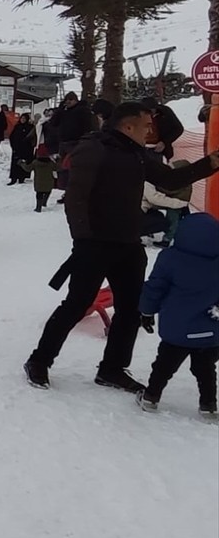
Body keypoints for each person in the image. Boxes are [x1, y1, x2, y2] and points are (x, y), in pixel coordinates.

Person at [24, 102, 219, 391]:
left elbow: (170, 180)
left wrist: (211, 162)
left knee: (131, 309)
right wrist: (84, 240)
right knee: (77, 304)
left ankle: (112, 369)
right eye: (146, 125)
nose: (150, 131)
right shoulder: (94, 149)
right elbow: (76, 199)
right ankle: (39, 361)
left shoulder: (136, 153)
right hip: (94, 244)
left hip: (127, 243)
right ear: (128, 126)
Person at [135, 212, 219, 418]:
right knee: (205, 369)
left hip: (177, 329)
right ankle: (209, 405)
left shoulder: (170, 258)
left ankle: (151, 397)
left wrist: (147, 311)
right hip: (209, 328)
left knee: (164, 365)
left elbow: (155, 288)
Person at [21, 145, 58, 212]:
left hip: (39, 183)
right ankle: (44, 202)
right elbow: (58, 168)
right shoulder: (51, 163)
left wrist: (21, 163)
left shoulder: (35, 163)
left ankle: (38, 207)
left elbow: (28, 168)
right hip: (49, 182)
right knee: (48, 191)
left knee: (39, 194)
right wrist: (58, 160)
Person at [8, 113, 37, 184]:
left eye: (24, 119)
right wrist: (13, 145)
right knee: (15, 164)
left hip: (26, 149)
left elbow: (33, 138)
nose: (22, 120)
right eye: (21, 118)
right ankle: (13, 179)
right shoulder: (17, 126)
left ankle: (22, 178)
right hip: (16, 148)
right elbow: (12, 137)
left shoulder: (30, 127)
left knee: (24, 163)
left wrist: (29, 145)